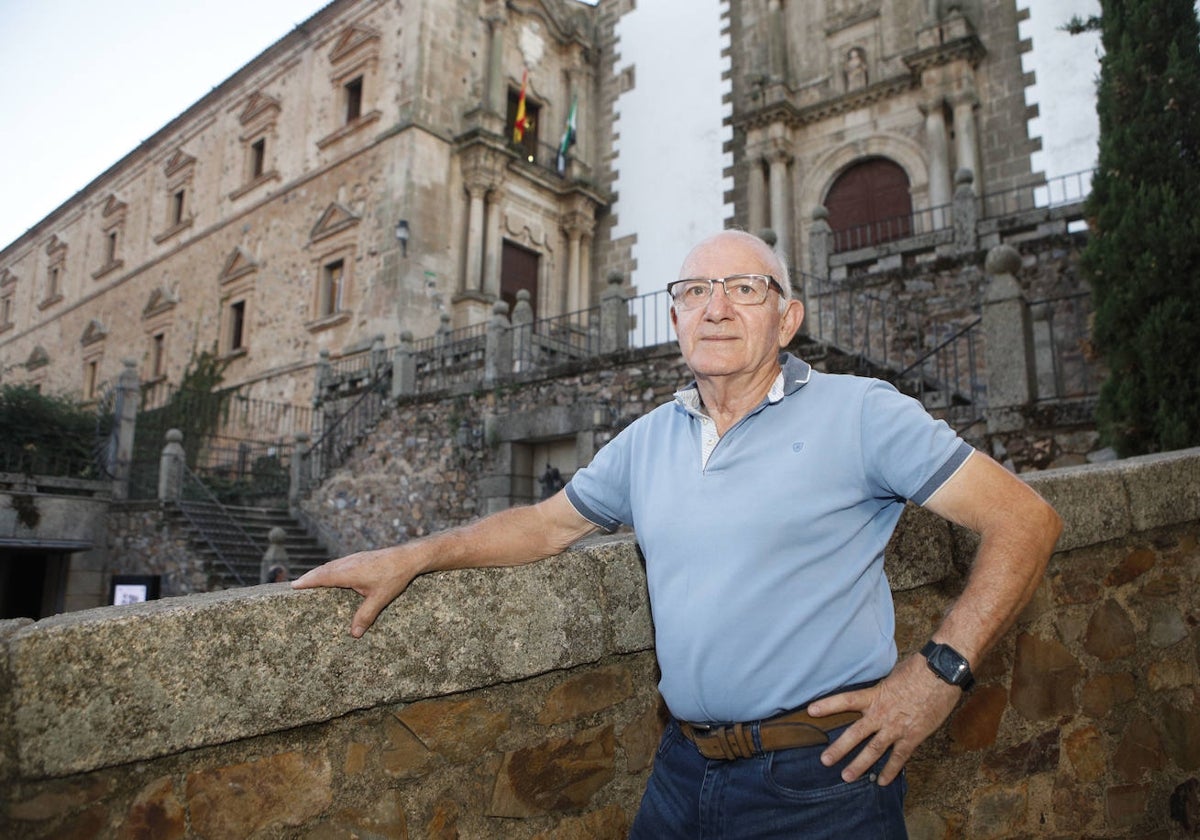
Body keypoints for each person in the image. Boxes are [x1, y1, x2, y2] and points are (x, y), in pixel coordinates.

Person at [293, 230, 1062, 838]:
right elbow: (543, 524)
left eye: (743, 289)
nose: (715, 307)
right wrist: (416, 553)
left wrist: (936, 676)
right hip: (681, 773)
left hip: (822, 785)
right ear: (675, 318)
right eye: (695, 291)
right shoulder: (649, 438)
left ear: (787, 318)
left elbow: (1026, 519)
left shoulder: (861, 414)